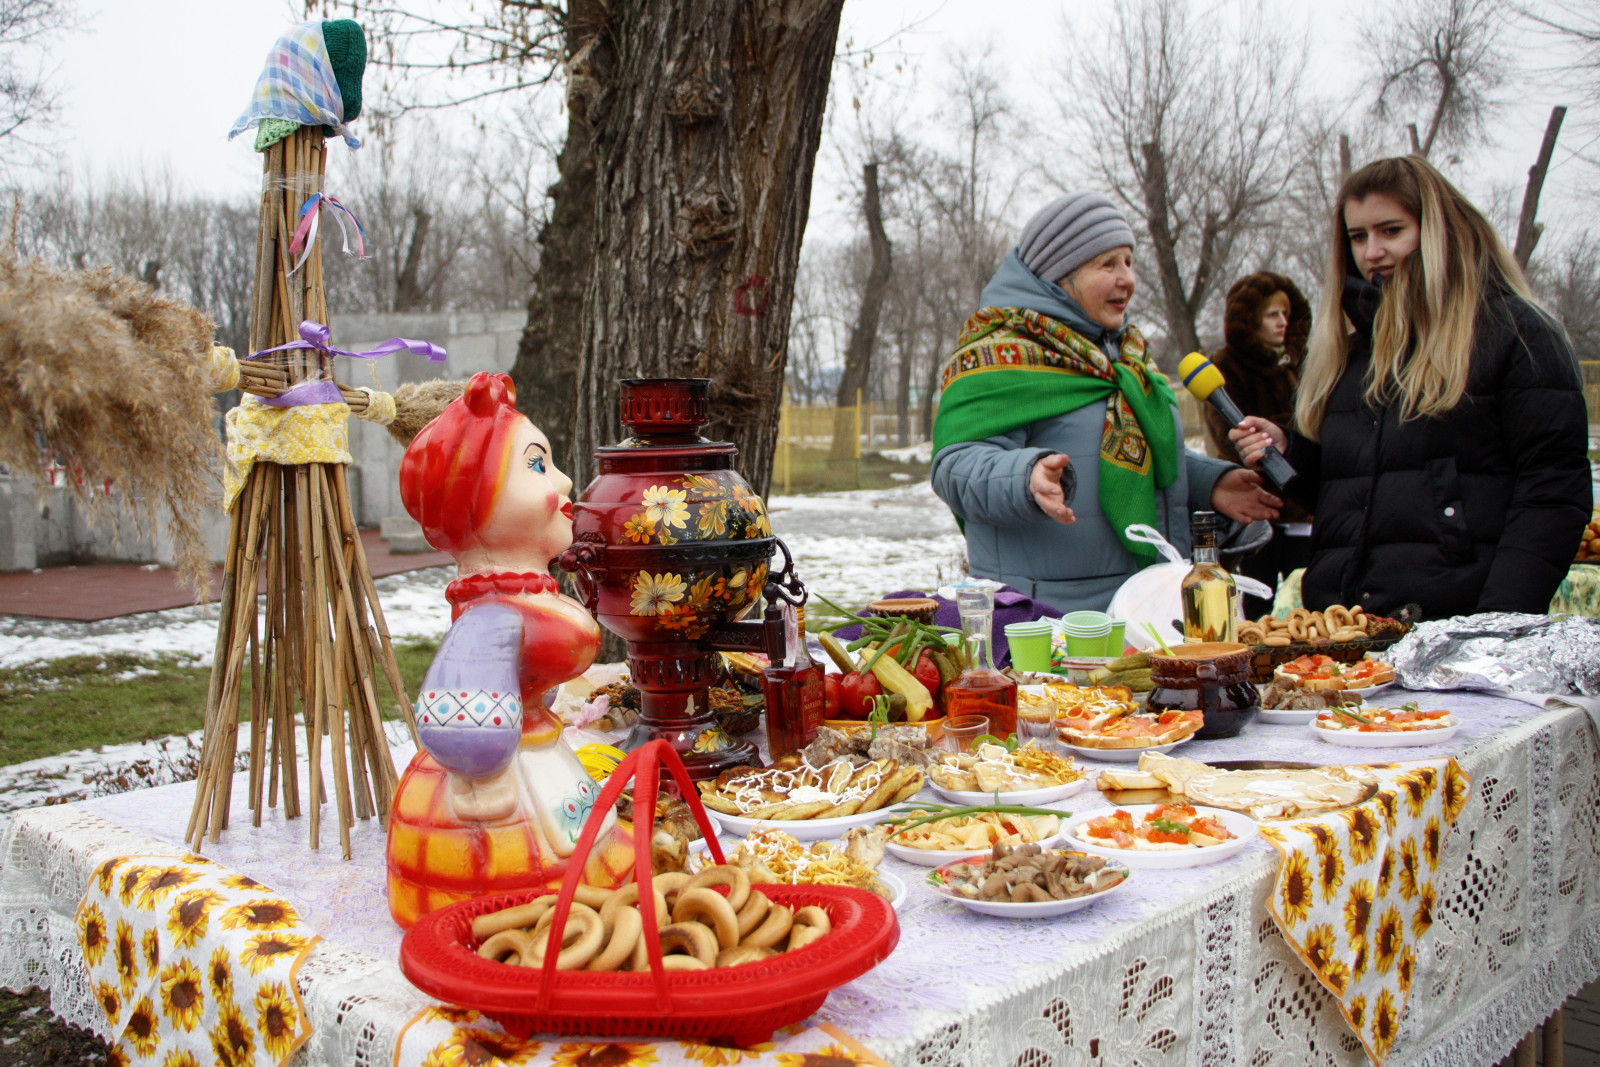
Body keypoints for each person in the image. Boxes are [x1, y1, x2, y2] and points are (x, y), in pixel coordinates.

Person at [1231, 155, 1592, 620]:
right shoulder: (1352, 354)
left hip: (1459, 628)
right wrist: (1291, 452)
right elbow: (1366, 493)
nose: (1371, 252)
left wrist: (1498, 622)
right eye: (1358, 237)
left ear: (1440, 230)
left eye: (1391, 231)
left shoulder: (1518, 334)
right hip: (1349, 631)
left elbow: (1553, 494)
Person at [931, 192, 1282, 614]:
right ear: (1061, 275)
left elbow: (1138, 458)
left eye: (1129, 262)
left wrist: (1212, 483)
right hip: (1048, 618)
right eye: (1108, 264)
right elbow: (955, 465)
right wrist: (1025, 476)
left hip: (1145, 608)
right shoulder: (1001, 355)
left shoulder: (1130, 359)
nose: (1127, 279)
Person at [386, 372, 632, 928]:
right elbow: (459, 709)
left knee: (583, 848)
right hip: (500, 782)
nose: (566, 482)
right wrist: (484, 768)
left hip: (539, 750)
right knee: (539, 874)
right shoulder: (493, 617)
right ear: (475, 499)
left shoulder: (519, 596)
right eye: (538, 465)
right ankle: (518, 922)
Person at [1203, 271, 1316, 615]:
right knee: (1258, 606)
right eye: (1272, 315)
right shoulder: (1226, 367)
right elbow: (1228, 436)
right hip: (1258, 505)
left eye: (1286, 314)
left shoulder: (1306, 362)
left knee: (1307, 604)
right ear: (1250, 320)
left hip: (1304, 506)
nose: (1282, 322)